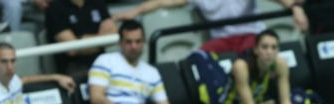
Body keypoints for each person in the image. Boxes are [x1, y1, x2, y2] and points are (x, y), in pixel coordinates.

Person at [113, 0, 308, 55]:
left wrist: (295, 8)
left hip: (251, 35)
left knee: (249, 58)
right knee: (196, 59)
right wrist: (135, 11)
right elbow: (163, 2)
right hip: (223, 41)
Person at [44, 0, 117, 76]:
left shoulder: (97, 2)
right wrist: (103, 39)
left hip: (102, 62)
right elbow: (72, 48)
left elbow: (113, 35)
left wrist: (82, 40)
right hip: (73, 69)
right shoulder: (55, 8)